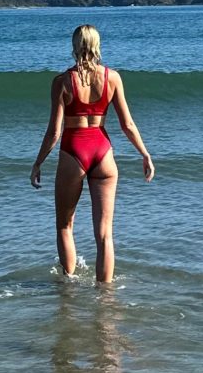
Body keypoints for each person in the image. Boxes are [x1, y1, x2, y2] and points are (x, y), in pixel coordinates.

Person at [30, 24, 154, 283]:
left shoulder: (62, 82)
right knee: (105, 234)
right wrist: (145, 154)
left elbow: (54, 132)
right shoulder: (113, 78)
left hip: (73, 151)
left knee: (65, 226)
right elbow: (127, 124)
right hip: (103, 151)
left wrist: (38, 162)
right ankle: (105, 297)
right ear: (97, 46)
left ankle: (69, 291)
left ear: (75, 46)